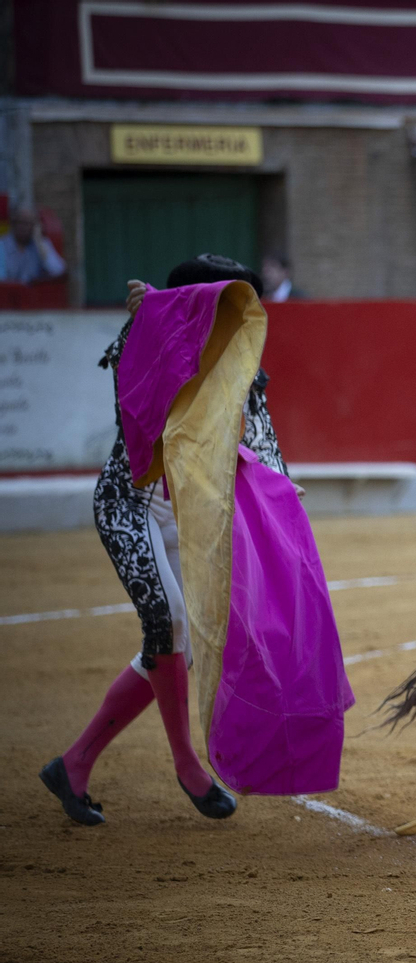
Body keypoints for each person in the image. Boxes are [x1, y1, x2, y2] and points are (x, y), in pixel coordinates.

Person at [38, 254, 291, 826]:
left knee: (185, 637)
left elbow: (266, 442)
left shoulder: (242, 363)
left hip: (186, 517)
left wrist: (281, 493)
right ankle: (187, 766)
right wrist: (150, 314)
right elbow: (147, 413)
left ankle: (74, 763)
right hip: (131, 503)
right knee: (173, 623)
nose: (242, 314)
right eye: (229, 301)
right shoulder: (147, 339)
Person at [0, 206, 66, 284]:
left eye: (28, 223)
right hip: (11, 294)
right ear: (13, 224)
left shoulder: (40, 243)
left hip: (35, 294)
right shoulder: (2, 245)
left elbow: (58, 270)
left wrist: (39, 241)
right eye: (21, 222)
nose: (24, 227)